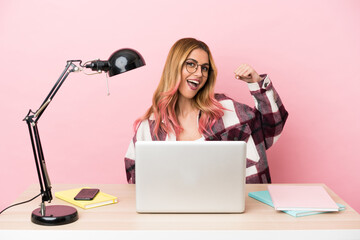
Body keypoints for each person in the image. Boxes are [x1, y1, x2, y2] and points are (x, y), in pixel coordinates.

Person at [124, 38, 288, 184]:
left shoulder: (227, 110)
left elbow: (272, 128)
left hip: (236, 212)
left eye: (204, 68)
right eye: (191, 64)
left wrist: (256, 83)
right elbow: (134, 176)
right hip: (174, 215)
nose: (199, 73)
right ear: (174, 67)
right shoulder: (150, 126)